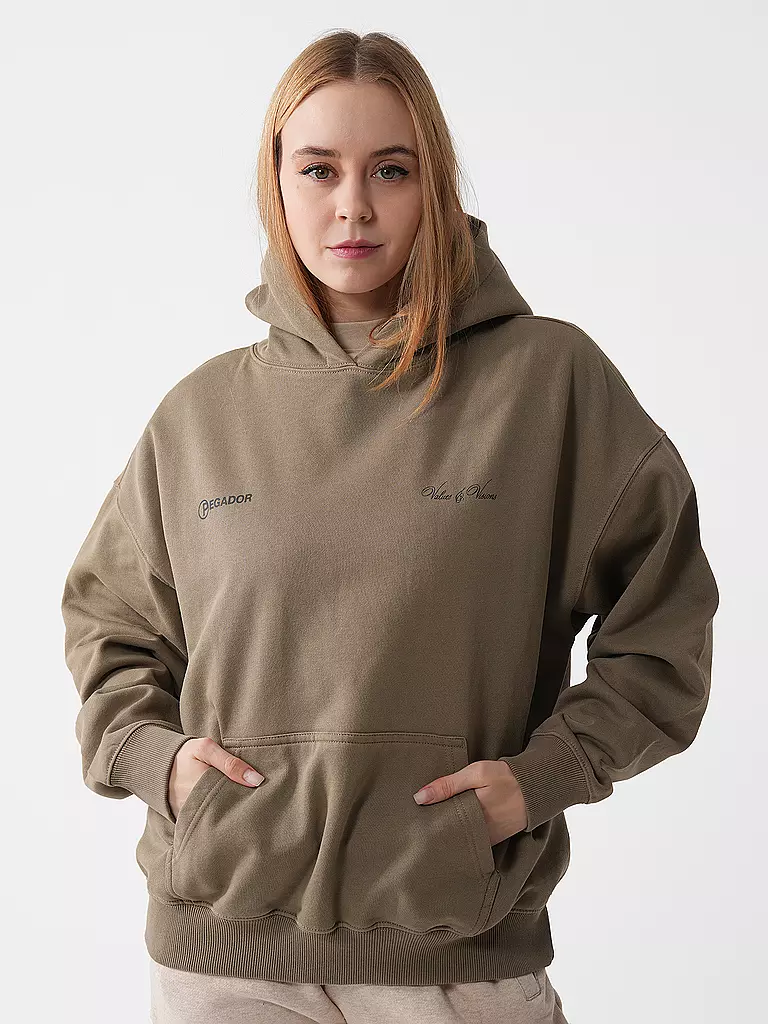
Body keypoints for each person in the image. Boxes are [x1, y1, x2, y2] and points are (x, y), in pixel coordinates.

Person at [60, 28, 719, 1024]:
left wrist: (541, 778)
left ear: (435, 184)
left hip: (456, 960)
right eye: (319, 168)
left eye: (391, 169)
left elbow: (665, 626)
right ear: (276, 184)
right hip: (221, 961)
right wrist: (163, 765)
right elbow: (109, 627)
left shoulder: (547, 385)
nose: (354, 205)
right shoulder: (200, 415)